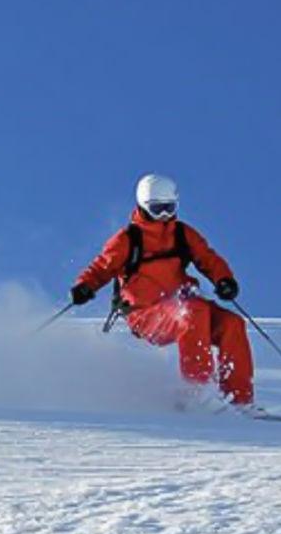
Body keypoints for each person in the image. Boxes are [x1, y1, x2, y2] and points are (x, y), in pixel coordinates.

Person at [70, 173, 255, 408]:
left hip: (182, 304)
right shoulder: (128, 238)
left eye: (170, 208)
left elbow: (207, 258)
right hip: (145, 313)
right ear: (143, 206)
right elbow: (102, 266)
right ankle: (197, 393)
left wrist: (224, 280)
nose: (164, 215)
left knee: (232, 324)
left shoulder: (182, 234)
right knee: (192, 312)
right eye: (158, 209)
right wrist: (85, 286)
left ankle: (239, 399)